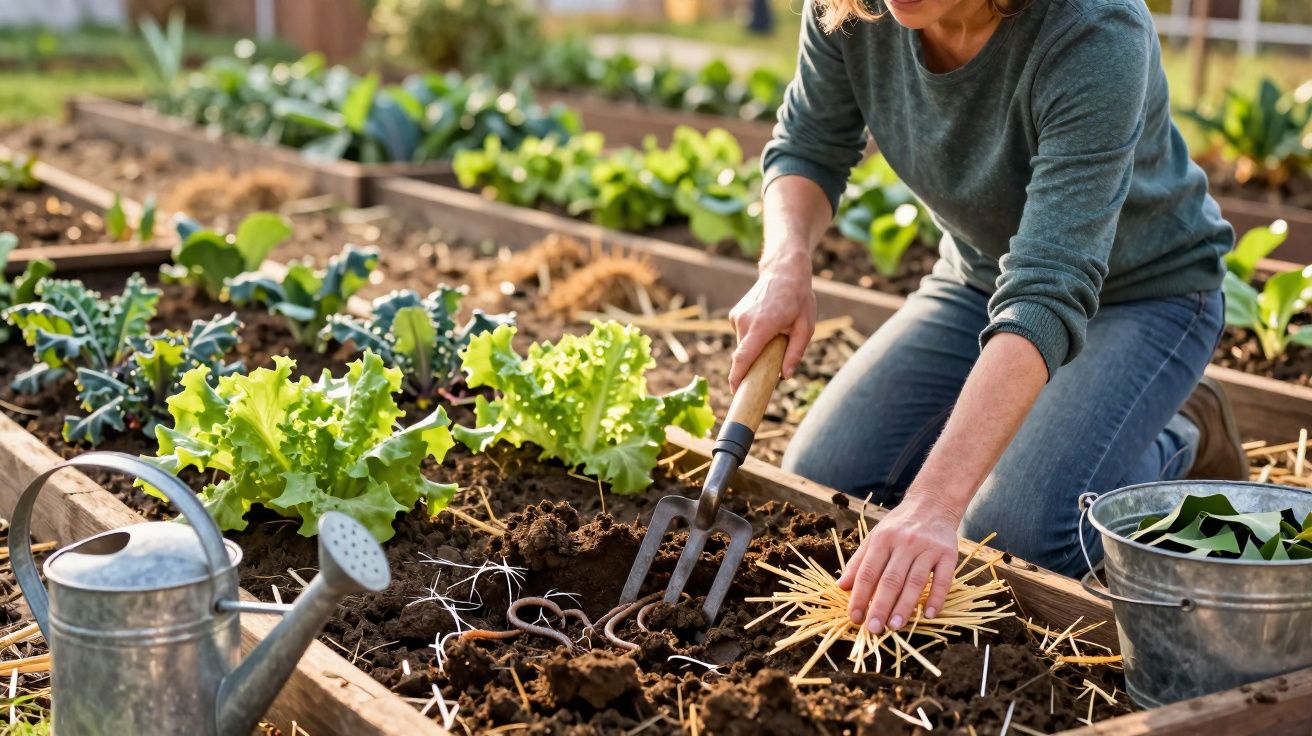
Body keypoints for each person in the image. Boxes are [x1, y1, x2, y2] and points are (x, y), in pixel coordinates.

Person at [727, 0, 1246, 639]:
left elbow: (1047, 289)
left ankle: (1183, 434)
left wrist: (933, 504)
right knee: (826, 480)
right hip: (980, 278)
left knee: (1018, 535)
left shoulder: (1095, 27)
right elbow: (808, 145)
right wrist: (784, 263)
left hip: (1145, 293)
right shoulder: (848, 8)